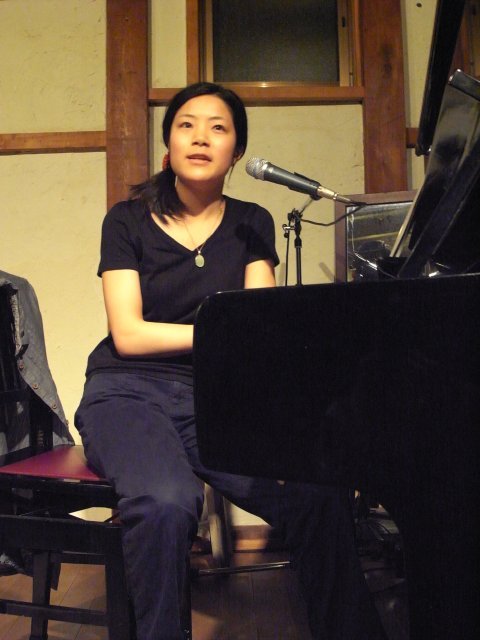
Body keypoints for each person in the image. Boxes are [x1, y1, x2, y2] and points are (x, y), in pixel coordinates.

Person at [74, 82, 386, 640]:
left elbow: (258, 330)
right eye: (186, 125)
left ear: (237, 151)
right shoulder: (126, 220)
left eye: (217, 128)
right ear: (168, 144)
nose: (200, 137)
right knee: (166, 502)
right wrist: (221, 331)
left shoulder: (251, 222)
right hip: (127, 391)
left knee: (316, 490)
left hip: (217, 396)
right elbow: (130, 335)